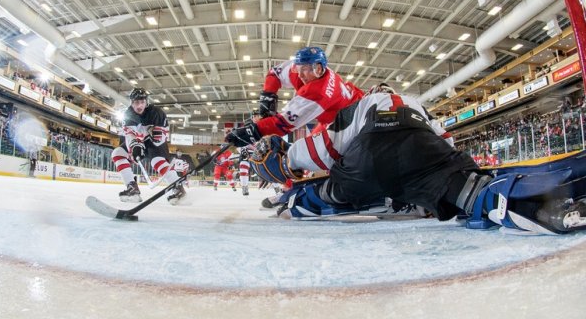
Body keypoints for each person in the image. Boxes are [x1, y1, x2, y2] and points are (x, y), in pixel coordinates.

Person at [249, 86, 586, 234]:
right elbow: (446, 143)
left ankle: (310, 200)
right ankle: (523, 205)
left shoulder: (367, 103)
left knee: (337, 188)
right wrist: (452, 174)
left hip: (367, 158)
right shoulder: (414, 102)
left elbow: (328, 144)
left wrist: (291, 158)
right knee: (466, 188)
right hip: (421, 152)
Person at [225, 46, 364, 160]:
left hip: (353, 122)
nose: (300, 75)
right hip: (335, 116)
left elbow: (284, 123)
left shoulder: (319, 92)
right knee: (307, 150)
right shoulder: (306, 70)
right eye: (298, 68)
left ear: (319, 69)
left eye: (304, 70)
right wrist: (268, 100)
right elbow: (274, 74)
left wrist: (254, 131)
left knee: (313, 157)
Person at [111, 88, 188, 203]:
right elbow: (130, 135)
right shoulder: (128, 115)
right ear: (132, 103)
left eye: (142, 102)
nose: (139, 105)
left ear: (146, 102)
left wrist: (148, 141)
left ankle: (178, 188)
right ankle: (132, 188)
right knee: (117, 153)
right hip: (138, 140)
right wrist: (135, 147)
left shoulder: (157, 113)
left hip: (154, 141)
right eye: (136, 102)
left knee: (157, 161)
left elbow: (161, 137)